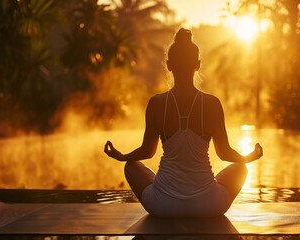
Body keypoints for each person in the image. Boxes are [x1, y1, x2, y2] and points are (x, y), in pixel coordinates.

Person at [104, 28, 263, 218]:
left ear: (169, 65)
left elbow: (147, 151)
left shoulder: (156, 103)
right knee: (241, 167)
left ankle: (163, 189)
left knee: (131, 166)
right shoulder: (212, 104)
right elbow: (224, 153)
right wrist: (249, 157)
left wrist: (122, 156)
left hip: (162, 205)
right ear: (198, 64)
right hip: (209, 205)